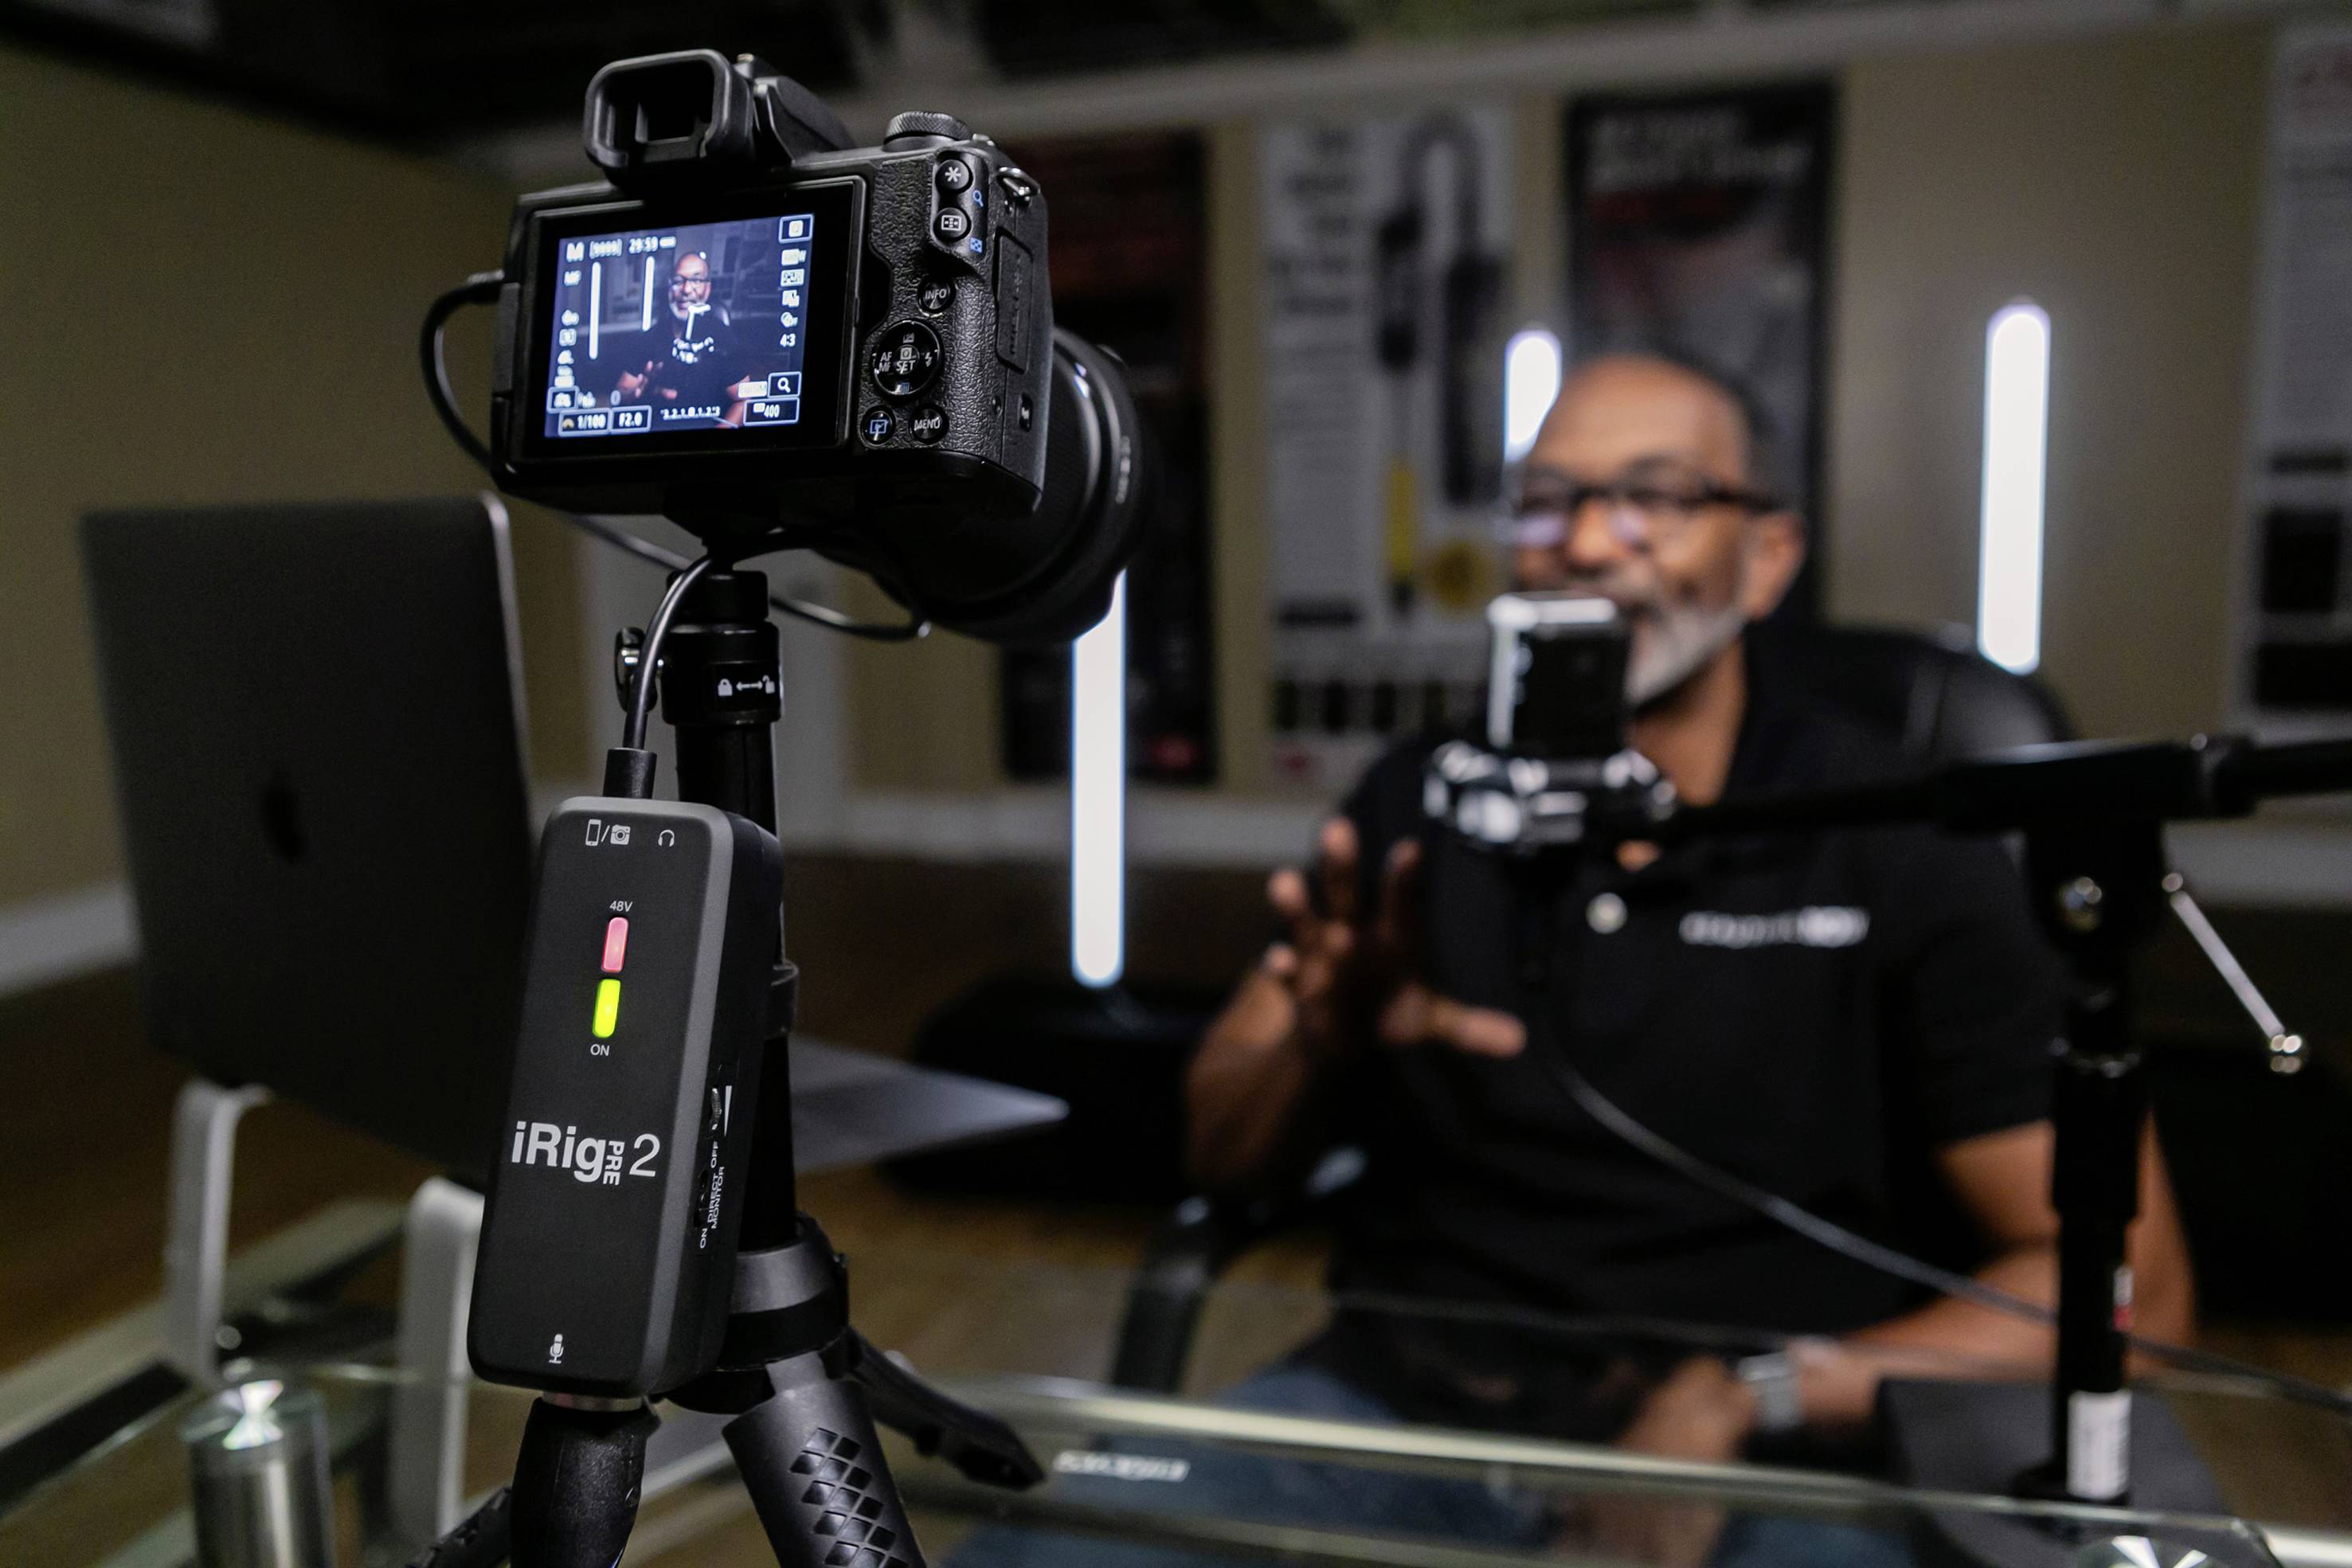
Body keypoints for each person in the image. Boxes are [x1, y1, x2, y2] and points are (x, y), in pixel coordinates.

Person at [1173, 352, 2195, 1562]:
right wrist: (1316, 1032)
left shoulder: (1889, 835)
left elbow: (2133, 1295)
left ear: (1765, 559)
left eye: (1654, 496)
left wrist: (1755, 1392)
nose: (1592, 543)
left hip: (1780, 1462)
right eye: (1547, 499)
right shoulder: (1416, 805)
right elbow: (1217, 1157)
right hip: (1398, 1417)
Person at [613, 250, 762, 426]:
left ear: (707, 289)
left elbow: (744, 399)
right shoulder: (649, 339)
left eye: (696, 280)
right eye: (678, 281)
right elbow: (618, 397)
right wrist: (631, 395)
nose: (685, 290)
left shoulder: (722, 337)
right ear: (669, 289)